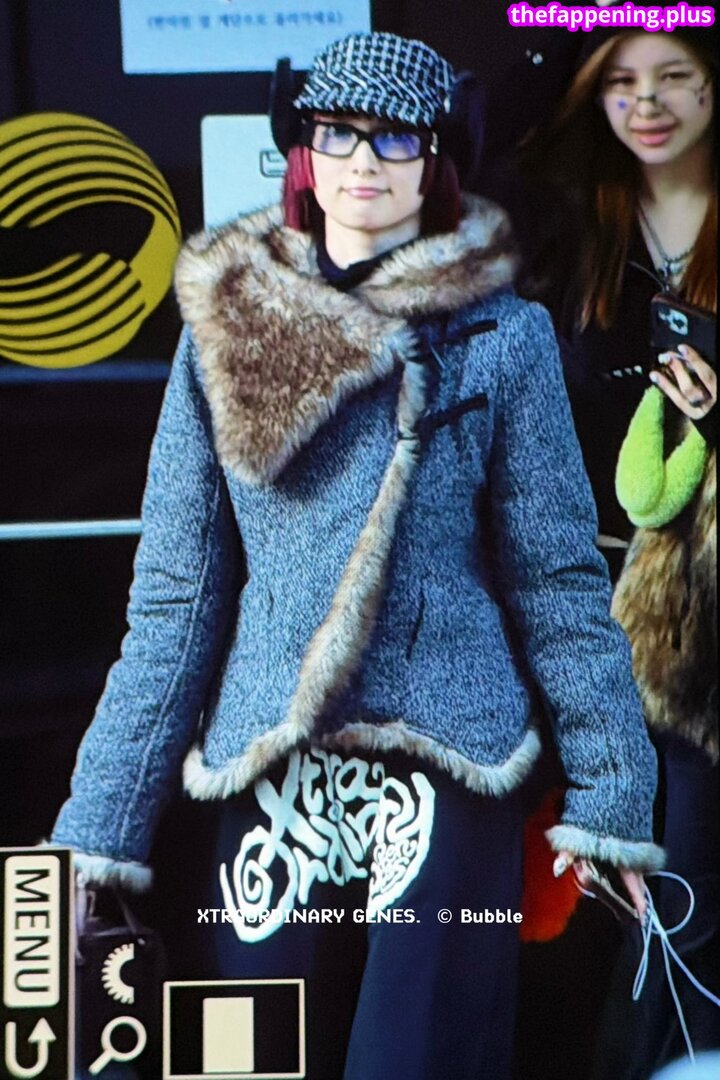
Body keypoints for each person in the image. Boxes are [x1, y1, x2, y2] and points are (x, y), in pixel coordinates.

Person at [52, 31, 663, 1080]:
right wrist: (97, 830)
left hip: (449, 753)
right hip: (271, 754)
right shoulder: (224, 332)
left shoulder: (504, 336)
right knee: (252, 1056)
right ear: (303, 148)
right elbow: (177, 603)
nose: (365, 161)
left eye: (395, 137)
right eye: (338, 132)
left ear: (437, 156)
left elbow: (558, 584)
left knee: (418, 1056)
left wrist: (613, 796)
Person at [519, 27, 718, 1079]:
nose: (648, 104)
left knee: (689, 889)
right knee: (593, 897)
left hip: (705, 620)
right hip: (591, 614)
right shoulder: (570, 231)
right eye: (623, 84)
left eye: (676, 78)